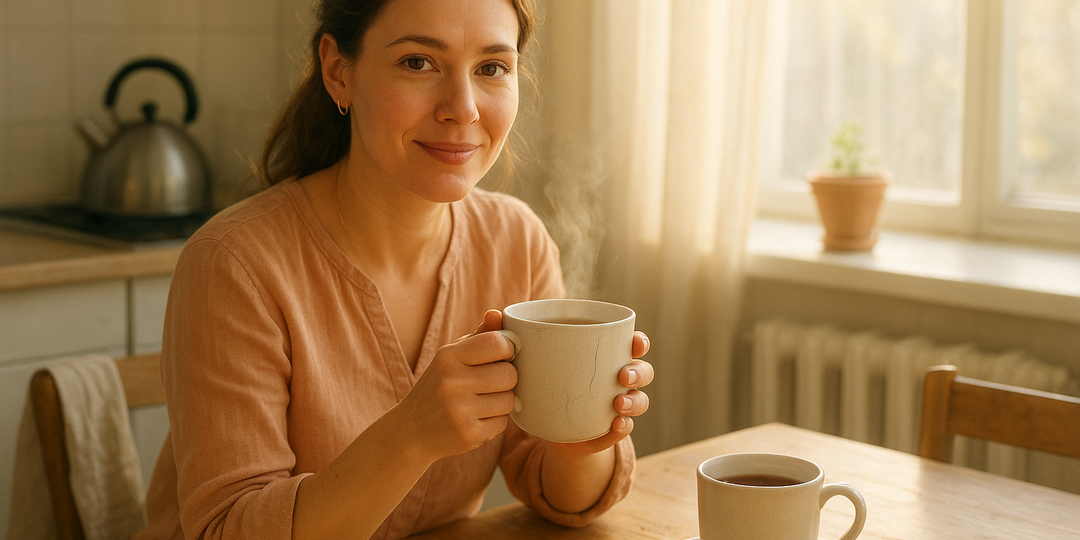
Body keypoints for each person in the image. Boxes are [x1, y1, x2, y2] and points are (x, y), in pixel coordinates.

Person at [134, 0, 654, 539]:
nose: (464, 108)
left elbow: (562, 498)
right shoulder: (234, 264)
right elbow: (228, 530)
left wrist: (585, 429)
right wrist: (413, 434)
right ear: (339, 72)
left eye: (491, 68)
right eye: (417, 63)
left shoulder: (516, 242)